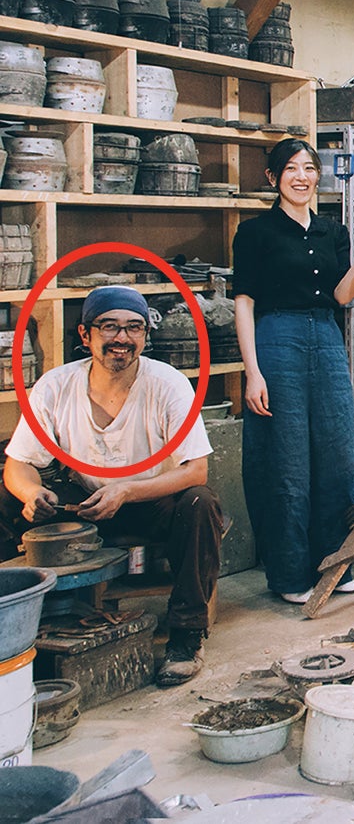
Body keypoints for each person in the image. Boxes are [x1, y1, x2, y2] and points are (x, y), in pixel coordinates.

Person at [1, 286, 221, 686]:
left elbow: (195, 471)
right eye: (109, 327)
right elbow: (18, 464)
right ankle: (21, 620)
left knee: (200, 503)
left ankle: (186, 636)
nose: (122, 338)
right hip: (85, 504)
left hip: (150, 500)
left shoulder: (168, 384)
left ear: (145, 336)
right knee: (6, 496)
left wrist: (126, 491)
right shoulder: (56, 385)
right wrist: (31, 493)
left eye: (134, 328)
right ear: (85, 335)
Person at [234, 138, 354, 605]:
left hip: (326, 337)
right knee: (285, 459)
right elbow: (244, 303)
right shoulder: (254, 232)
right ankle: (289, 574)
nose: (301, 177)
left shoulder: (332, 232)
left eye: (308, 168)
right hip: (276, 337)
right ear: (273, 178)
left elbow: (343, 295)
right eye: (290, 169)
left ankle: (335, 563)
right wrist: (252, 372)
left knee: (336, 453)